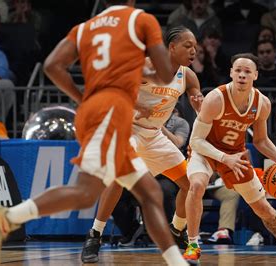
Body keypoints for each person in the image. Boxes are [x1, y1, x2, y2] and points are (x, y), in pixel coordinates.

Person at [0, 2, 190, 266]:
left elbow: (52, 66)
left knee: (150, 193)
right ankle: (7, 217)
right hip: (111, 113)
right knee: (85, 192)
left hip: (98, 111)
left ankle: (176, 262)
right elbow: (164, 73)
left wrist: (84, 97)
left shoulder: (84, 28)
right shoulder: (140, 19)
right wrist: (145, 70)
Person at [78, 26, 203, 263]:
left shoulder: (187, 75)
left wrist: (199, 103)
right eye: (188, 45)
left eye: (195, 47)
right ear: (172, 47)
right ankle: (95, 234)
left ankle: (176, 231)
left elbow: (197, 99)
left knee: (191, 185)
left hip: (155, 135)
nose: (193, 51)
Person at [183, 53, 276, 264]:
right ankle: (193, 245)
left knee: (263, 207)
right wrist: (224, 158)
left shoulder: (262, 103)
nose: (242, 75)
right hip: (206, 151)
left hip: (235, 156)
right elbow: (196, 140)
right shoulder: (215, 98)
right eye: (238, 70)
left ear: (255, 75)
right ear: (231, 73)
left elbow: (261, 141)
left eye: (247, 71)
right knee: (197, 185)